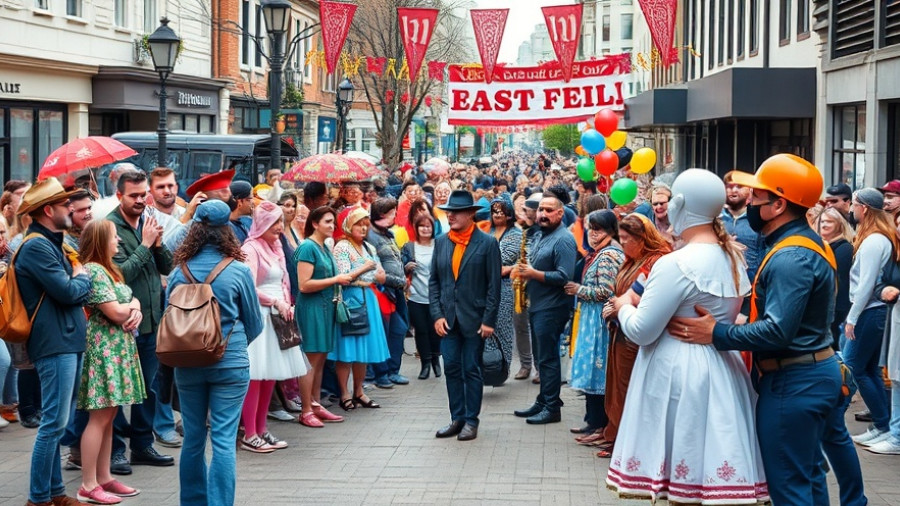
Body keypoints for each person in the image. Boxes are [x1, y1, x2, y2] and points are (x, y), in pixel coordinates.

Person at [669, 154, 863, 505]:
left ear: (778, 205)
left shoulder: (791, 256)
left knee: (790, 489)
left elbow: (778, 332)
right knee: (808, 479)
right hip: (808, 373)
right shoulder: (802, 245)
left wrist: (717, 332)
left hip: (795, 380)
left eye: (757, 196)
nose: (750, 200)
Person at [603, 169, 768, 504]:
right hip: (723, 368)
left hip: (677, 370)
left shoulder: (675, 263)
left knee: (682, 469)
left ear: (680, 204)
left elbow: (642, 331)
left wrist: (622, 306)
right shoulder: (734, 256)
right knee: (709, 465)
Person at [166, 200, 263, 506]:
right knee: (223, 439)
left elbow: (168, 316)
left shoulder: (179, 272)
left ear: (194, 229)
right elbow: (255, 324)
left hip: (187, 362)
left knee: (193, 438)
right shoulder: (237, 271)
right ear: (226, 231)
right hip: (230, 363)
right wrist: (229, 345)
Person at [16, 177, 93, 506]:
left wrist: (77, 279)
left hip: (66, 339)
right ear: (48, 210)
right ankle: (38, 498)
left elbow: (71, 290)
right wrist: (83, 278)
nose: (71, 209)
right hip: (54, 342)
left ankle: (56, 493)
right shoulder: (36, 245)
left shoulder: (54, 242)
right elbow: (69, 292)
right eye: (65, 206)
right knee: (53, 423)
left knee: (58, 422)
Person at [107, 170, 175, 474]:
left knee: (148, 388)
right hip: (122, 323)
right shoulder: (109, 227)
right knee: (119, 392)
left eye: (142, 194)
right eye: (133, 195)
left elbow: (168, 266)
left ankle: (143, 445)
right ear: (119, 195)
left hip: (151, 321)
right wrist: (145, 245)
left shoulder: (147, 220)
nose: (139, 200)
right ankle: (116, 450)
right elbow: (120, 274)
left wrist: (158, 244)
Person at [240, 202, 320, 452]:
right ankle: (250, 432)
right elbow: (248, 286)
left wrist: (286, 303)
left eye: (280, 222)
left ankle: (262, 429)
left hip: (280, 315)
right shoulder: (250, 248)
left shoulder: (275, 246)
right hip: (261, 316)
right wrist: (274, 301)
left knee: (270, 376)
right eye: (274, 223)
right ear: (262, 223)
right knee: (256, 376)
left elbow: (284, 280)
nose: (279, 227)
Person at [76, 220, 145, 504]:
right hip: (104, 348)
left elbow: (129, 301)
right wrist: (133, 307)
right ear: (101, 241)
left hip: (116, 347)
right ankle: (88, 484)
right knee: (100, 416)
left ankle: (103, 477)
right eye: (114, 237)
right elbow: (115, 312)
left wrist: (136, 306)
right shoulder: (94, 269)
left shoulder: (108, 269)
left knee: (110, 415)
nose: (118, 241)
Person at [430, 190, 501, 441]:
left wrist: (489, 320)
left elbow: (494, 285)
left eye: (456, 212)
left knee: (471, 368)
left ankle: (472, 420)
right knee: (450, 366)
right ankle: (456, 418)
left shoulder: (487, 243)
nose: (451, 217)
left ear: (471, 214)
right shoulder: (441, 241)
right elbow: (435, 282)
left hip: (475, 319)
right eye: (448, 212)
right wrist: (437, 315)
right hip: (448, 319)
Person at [600, 214, 671, 456]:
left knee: (630, 387)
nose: (622, 244)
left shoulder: (657, 260)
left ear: (642, 239)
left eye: (626, 239)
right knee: (617, 385)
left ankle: (628, 443)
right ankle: (616, 434)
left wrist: (622, 307)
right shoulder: (633, 259)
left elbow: (649, 298)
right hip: (621, 329)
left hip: (635, 334)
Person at [512, 193, 576, 425]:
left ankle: (552, 407)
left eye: (549, 210)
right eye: (541, 210)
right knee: (541, 357)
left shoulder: (564, 239)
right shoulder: (540, 235)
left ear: (560, 213)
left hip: (553, 307)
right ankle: (543, 401)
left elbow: (564, 276)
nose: (543, 214)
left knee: (548, 359)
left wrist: (533, 274)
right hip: (538, 304)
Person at [843, 188, 898, 446]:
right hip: (872, 310)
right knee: (869, 369)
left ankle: (883, 423)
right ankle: (883, 425)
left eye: (854, 204)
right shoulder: (874, 237)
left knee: (854, 366)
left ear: (864, 208)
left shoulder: (875, 240)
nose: (851, 209)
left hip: (869, 311)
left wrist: (852, 318)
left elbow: (866, 284)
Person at [566, 210, 624, 443]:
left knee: (599, 372)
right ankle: (593, 422)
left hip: (600, 321)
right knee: (591, 371)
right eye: (591, 228)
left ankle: (601, 425)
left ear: (610, 230)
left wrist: (578, 290)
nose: (592, 233)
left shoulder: (609, 255)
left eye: (598, 229)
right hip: (592, 319)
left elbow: (607, 292)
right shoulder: (599, 252)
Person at [331, 208, 391, 410]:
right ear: (348, 226)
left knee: (363, 348)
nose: (364, 227)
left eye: (366, 223)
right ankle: (344, 394)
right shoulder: (342, 247)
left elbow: (381, 274)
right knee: (347, 348)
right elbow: (344, 276)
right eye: (359, 224)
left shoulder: (368, 247)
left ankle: (359, 391)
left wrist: (373, 272)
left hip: (369, 297)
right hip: (351, 299)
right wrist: (366, 269)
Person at [294, 207, 352, 415]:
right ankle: (306, 409)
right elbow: (304, 284)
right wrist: (336, 279)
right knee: (311, 360)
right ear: (315, 223)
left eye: (333, 222)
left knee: (320, 358)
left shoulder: (324, 247)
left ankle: (315, 403)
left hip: (326, 307)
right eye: (327, 221)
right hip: (312, 308)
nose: (332, 226)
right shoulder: (308, 247)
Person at [368, 197, 411, 388]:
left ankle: (392, 370)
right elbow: (377, 271)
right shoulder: (371, 236)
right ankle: (381, 373)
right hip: (383, 291)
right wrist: (398, 281)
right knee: (384, 332)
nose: (395, 215)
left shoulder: (389, 234)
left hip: (396, 290)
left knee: (398, 329)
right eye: (392, 212)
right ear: (383, 214)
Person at [480, 196, 520, 377]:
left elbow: (500, 260)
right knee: (484, 327)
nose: (497, 214)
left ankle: (503, 369)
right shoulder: (486, 232)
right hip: (483, 288)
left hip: (504, 288)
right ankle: (488, 367)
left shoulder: (516, 235)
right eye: (494, 210)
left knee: (502, 329)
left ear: (509, 214)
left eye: (501, 210)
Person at [401, 213, 440, 380]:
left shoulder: (440, 245)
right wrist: (406, 266)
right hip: (416, 295)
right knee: (421, 331)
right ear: (416, 228)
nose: (425, 229)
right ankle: (425, 364)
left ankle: (436, 360)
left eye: (428, 226)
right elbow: (400, 267)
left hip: (436, 296)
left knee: (435, 331)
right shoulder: (409, 247)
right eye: (422, 226)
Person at [816, 208, 855, 350]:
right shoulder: (824, 245)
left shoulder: (844, 248)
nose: (824, 225)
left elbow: (839, 280)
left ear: (839, 224)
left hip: (837, 306)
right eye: (822, 221)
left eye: (829, 222)